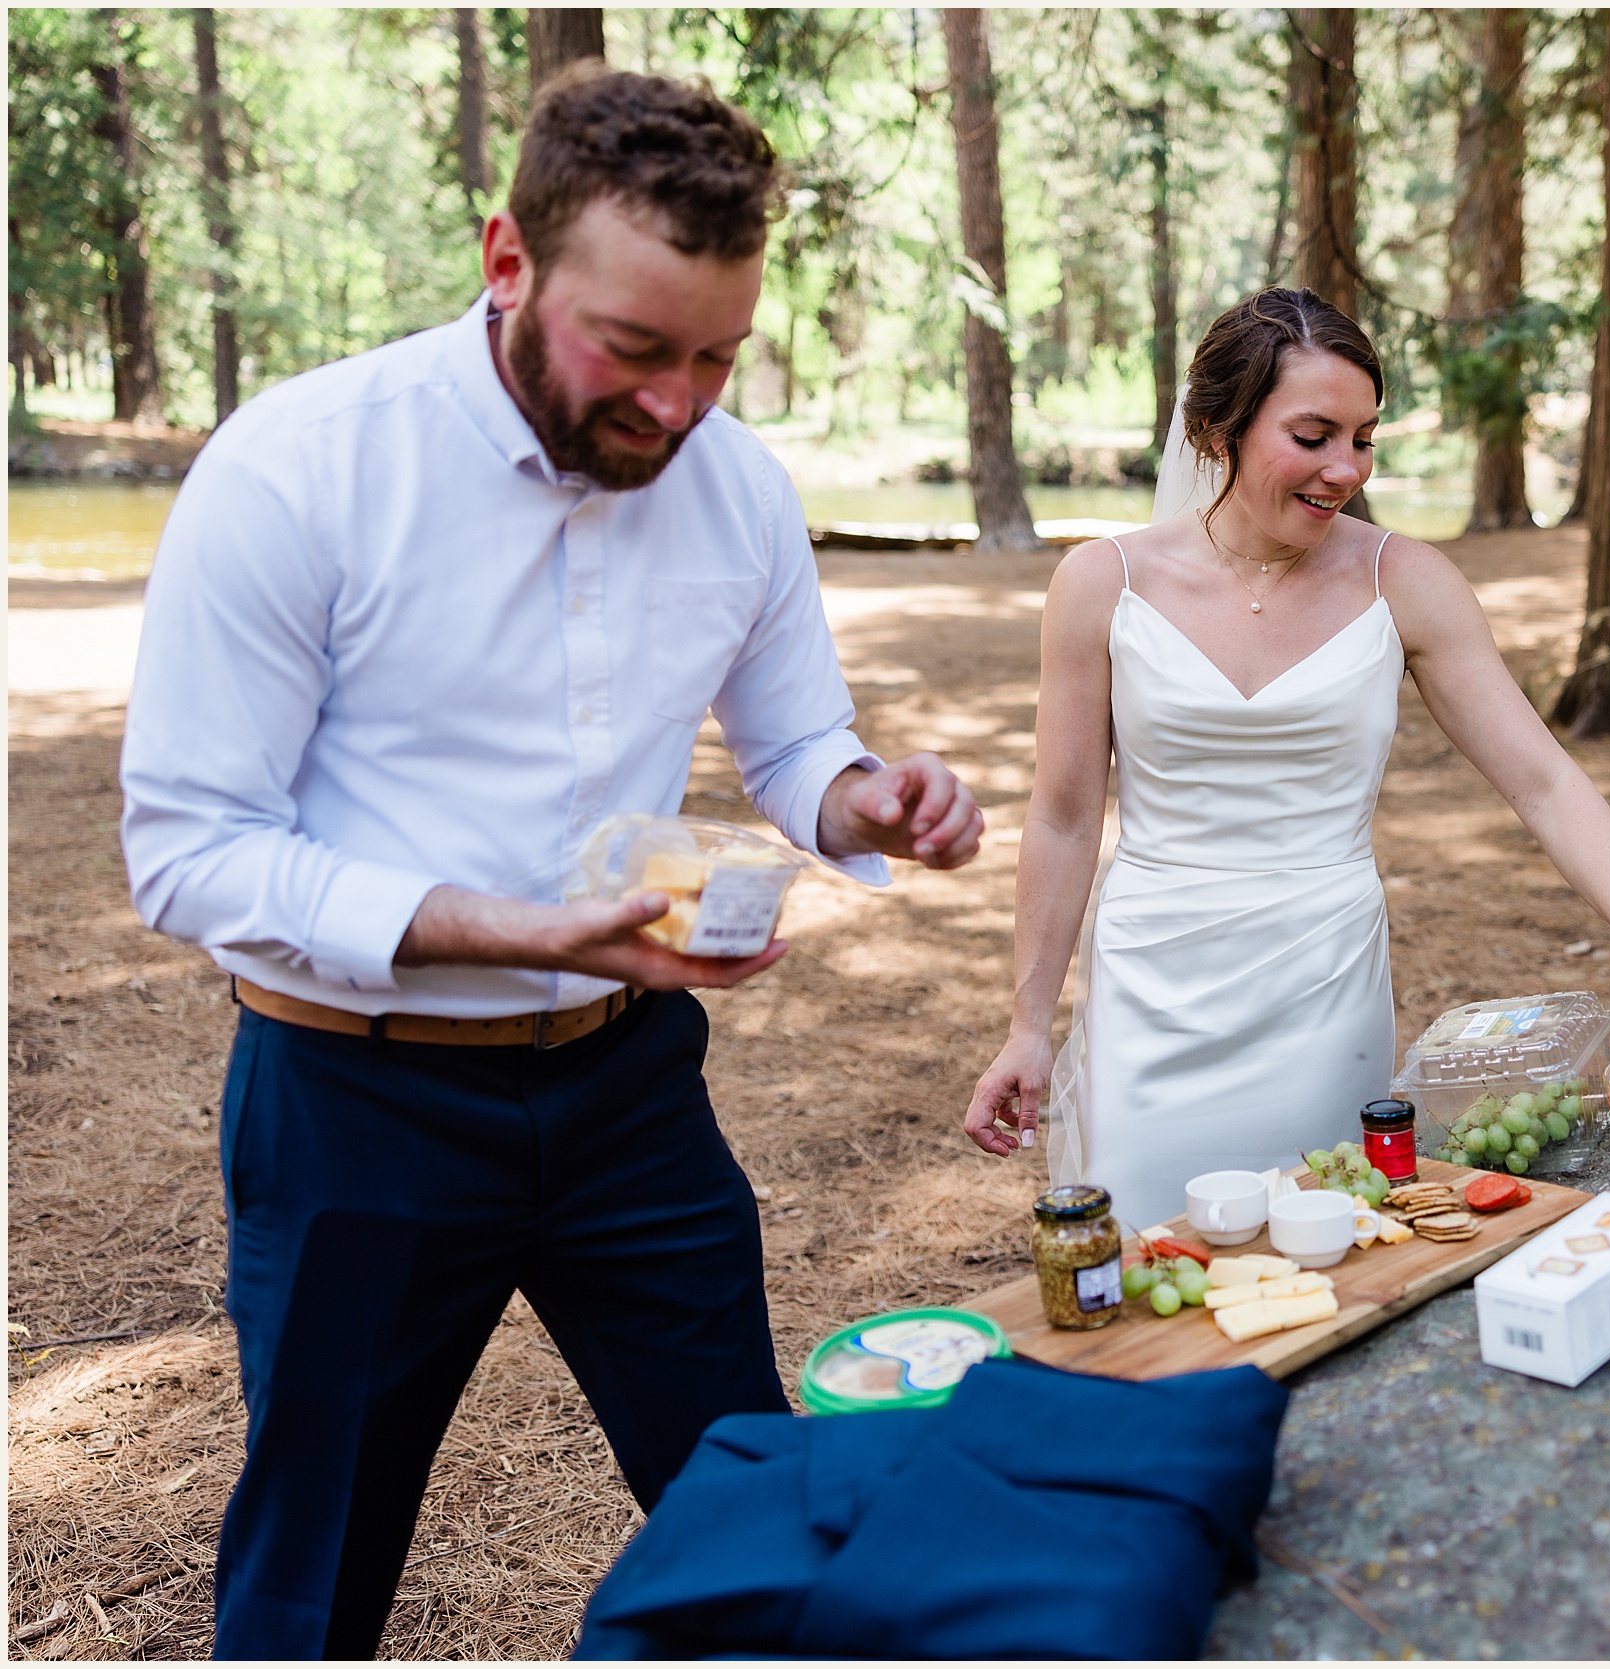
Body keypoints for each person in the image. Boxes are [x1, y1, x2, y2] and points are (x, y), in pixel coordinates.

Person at [118, 68, 982, 1659]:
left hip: (627, 1097)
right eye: (637, 350)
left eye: (719, 355)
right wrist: (526, 928)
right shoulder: (301, 468)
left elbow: (797, 749)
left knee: (756, 1510)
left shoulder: (738, 484)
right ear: (506, 257)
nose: (680, 405)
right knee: (312, 1577)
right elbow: (189, 852)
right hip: (352, 1110)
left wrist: (871, 800)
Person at [960, 288, 1610, 1225]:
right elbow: (1064, 815)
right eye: (1314, 434)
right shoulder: (1101, 583)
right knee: (1149, 1245)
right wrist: (1027, 1026)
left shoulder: (1402, 580)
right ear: (1218, 429)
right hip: (1153, 982)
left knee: (1323, 1237)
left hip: (1322, 980)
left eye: (1363, 439)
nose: (1344, 470)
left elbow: (1541, 776)